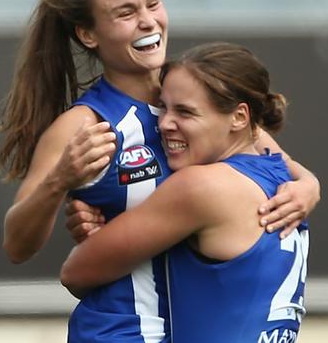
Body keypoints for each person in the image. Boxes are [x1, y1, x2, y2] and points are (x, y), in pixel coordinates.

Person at [0, 0, 319, 342]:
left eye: (152, 3)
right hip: (123, 333)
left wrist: (309, 187)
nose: (148, 21)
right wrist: (58, 182)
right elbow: (17, 245)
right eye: (125, 13)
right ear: (89, 34)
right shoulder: (88, 125)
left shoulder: (200, 94)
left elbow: (276, 163)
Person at [62, 42, 309, 342]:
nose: (165, 124)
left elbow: (76, 273)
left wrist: (105, 222)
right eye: (163, 107)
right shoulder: (282, 176)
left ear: (239, 117)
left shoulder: (203, 186)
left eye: (185, 112)